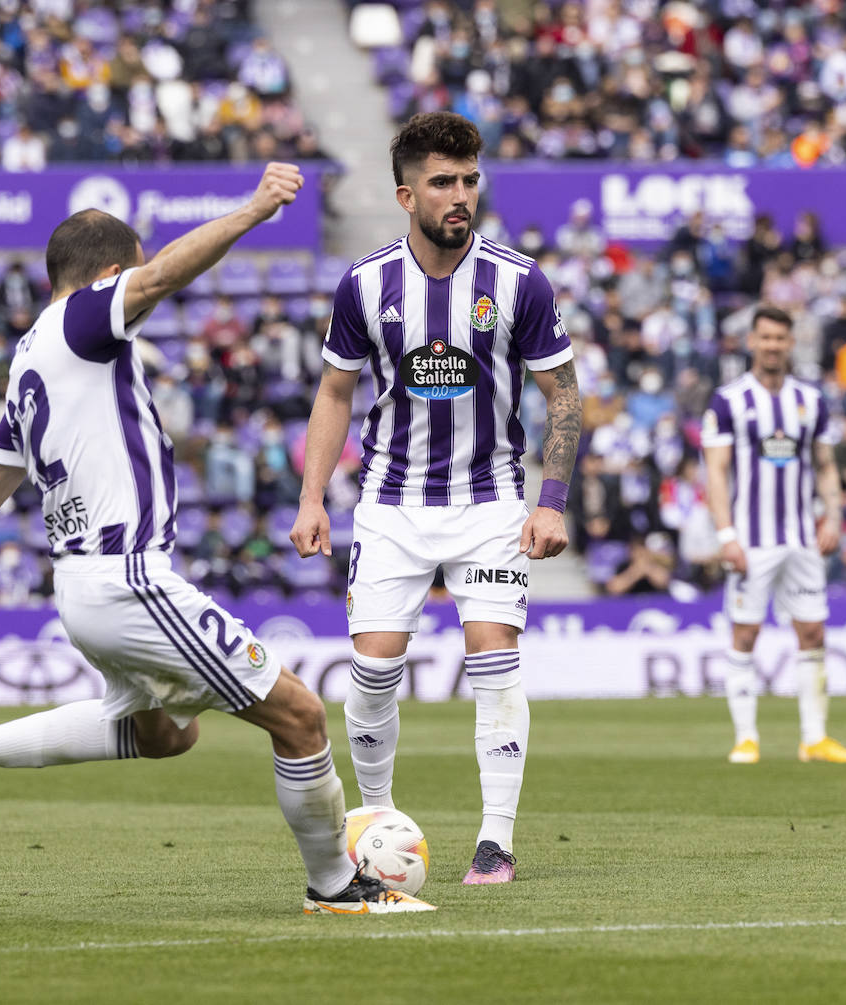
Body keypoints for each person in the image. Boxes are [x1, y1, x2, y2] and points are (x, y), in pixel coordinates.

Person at [0, 163, 431, 916]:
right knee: (299, 716)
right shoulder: (83, 320)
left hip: (81, 589)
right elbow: (160, 277)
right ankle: (336, 885)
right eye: (127, 276)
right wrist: (254, 210)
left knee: (168, 736)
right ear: (108, 273)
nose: (134, 290)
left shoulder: (28, 364)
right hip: (126, 578)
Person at [289, 112, 582, 885]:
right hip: (391, 503)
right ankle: (378, 823)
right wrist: (312, 496)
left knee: (495, 659)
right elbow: (333, 393)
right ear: (405, 193)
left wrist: (549, 499)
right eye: (443, 183)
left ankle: (495, 839)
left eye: (469, 180)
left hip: (489, 504)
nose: (460, 196)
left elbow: (564, 396)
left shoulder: (519, 281)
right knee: (374, 668)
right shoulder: (366, 283)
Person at [701, 305, 846, 765]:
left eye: (780, 338)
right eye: (766, 337)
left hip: (801, 538)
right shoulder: (729, 400)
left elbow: (827, 466)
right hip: (750, 539)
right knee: (745, 633)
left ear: (791, 344)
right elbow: (715, 473)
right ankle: (746, 738)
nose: (772, 345)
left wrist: (832, 517)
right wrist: (726, 534)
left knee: (812, 631)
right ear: (751, 341)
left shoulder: (811, 400)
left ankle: (814, 739)